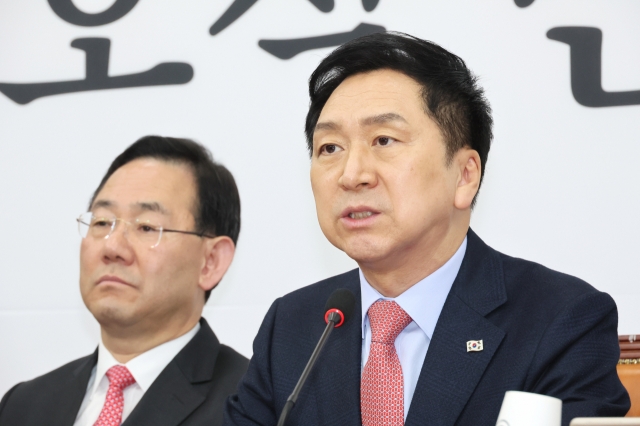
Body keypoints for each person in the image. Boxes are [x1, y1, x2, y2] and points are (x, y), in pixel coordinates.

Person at [224, 33, 630, 426]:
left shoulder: (559, 320)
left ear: (465, 175)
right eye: (330, 148)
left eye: (383, 140)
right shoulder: (294, 327)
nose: (352, 175)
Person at [0, 136, 248, 426]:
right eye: (102, 222)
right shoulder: (23, 406)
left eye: (146, 227)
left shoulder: (252, 406)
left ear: (211, 261)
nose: (112, 248)